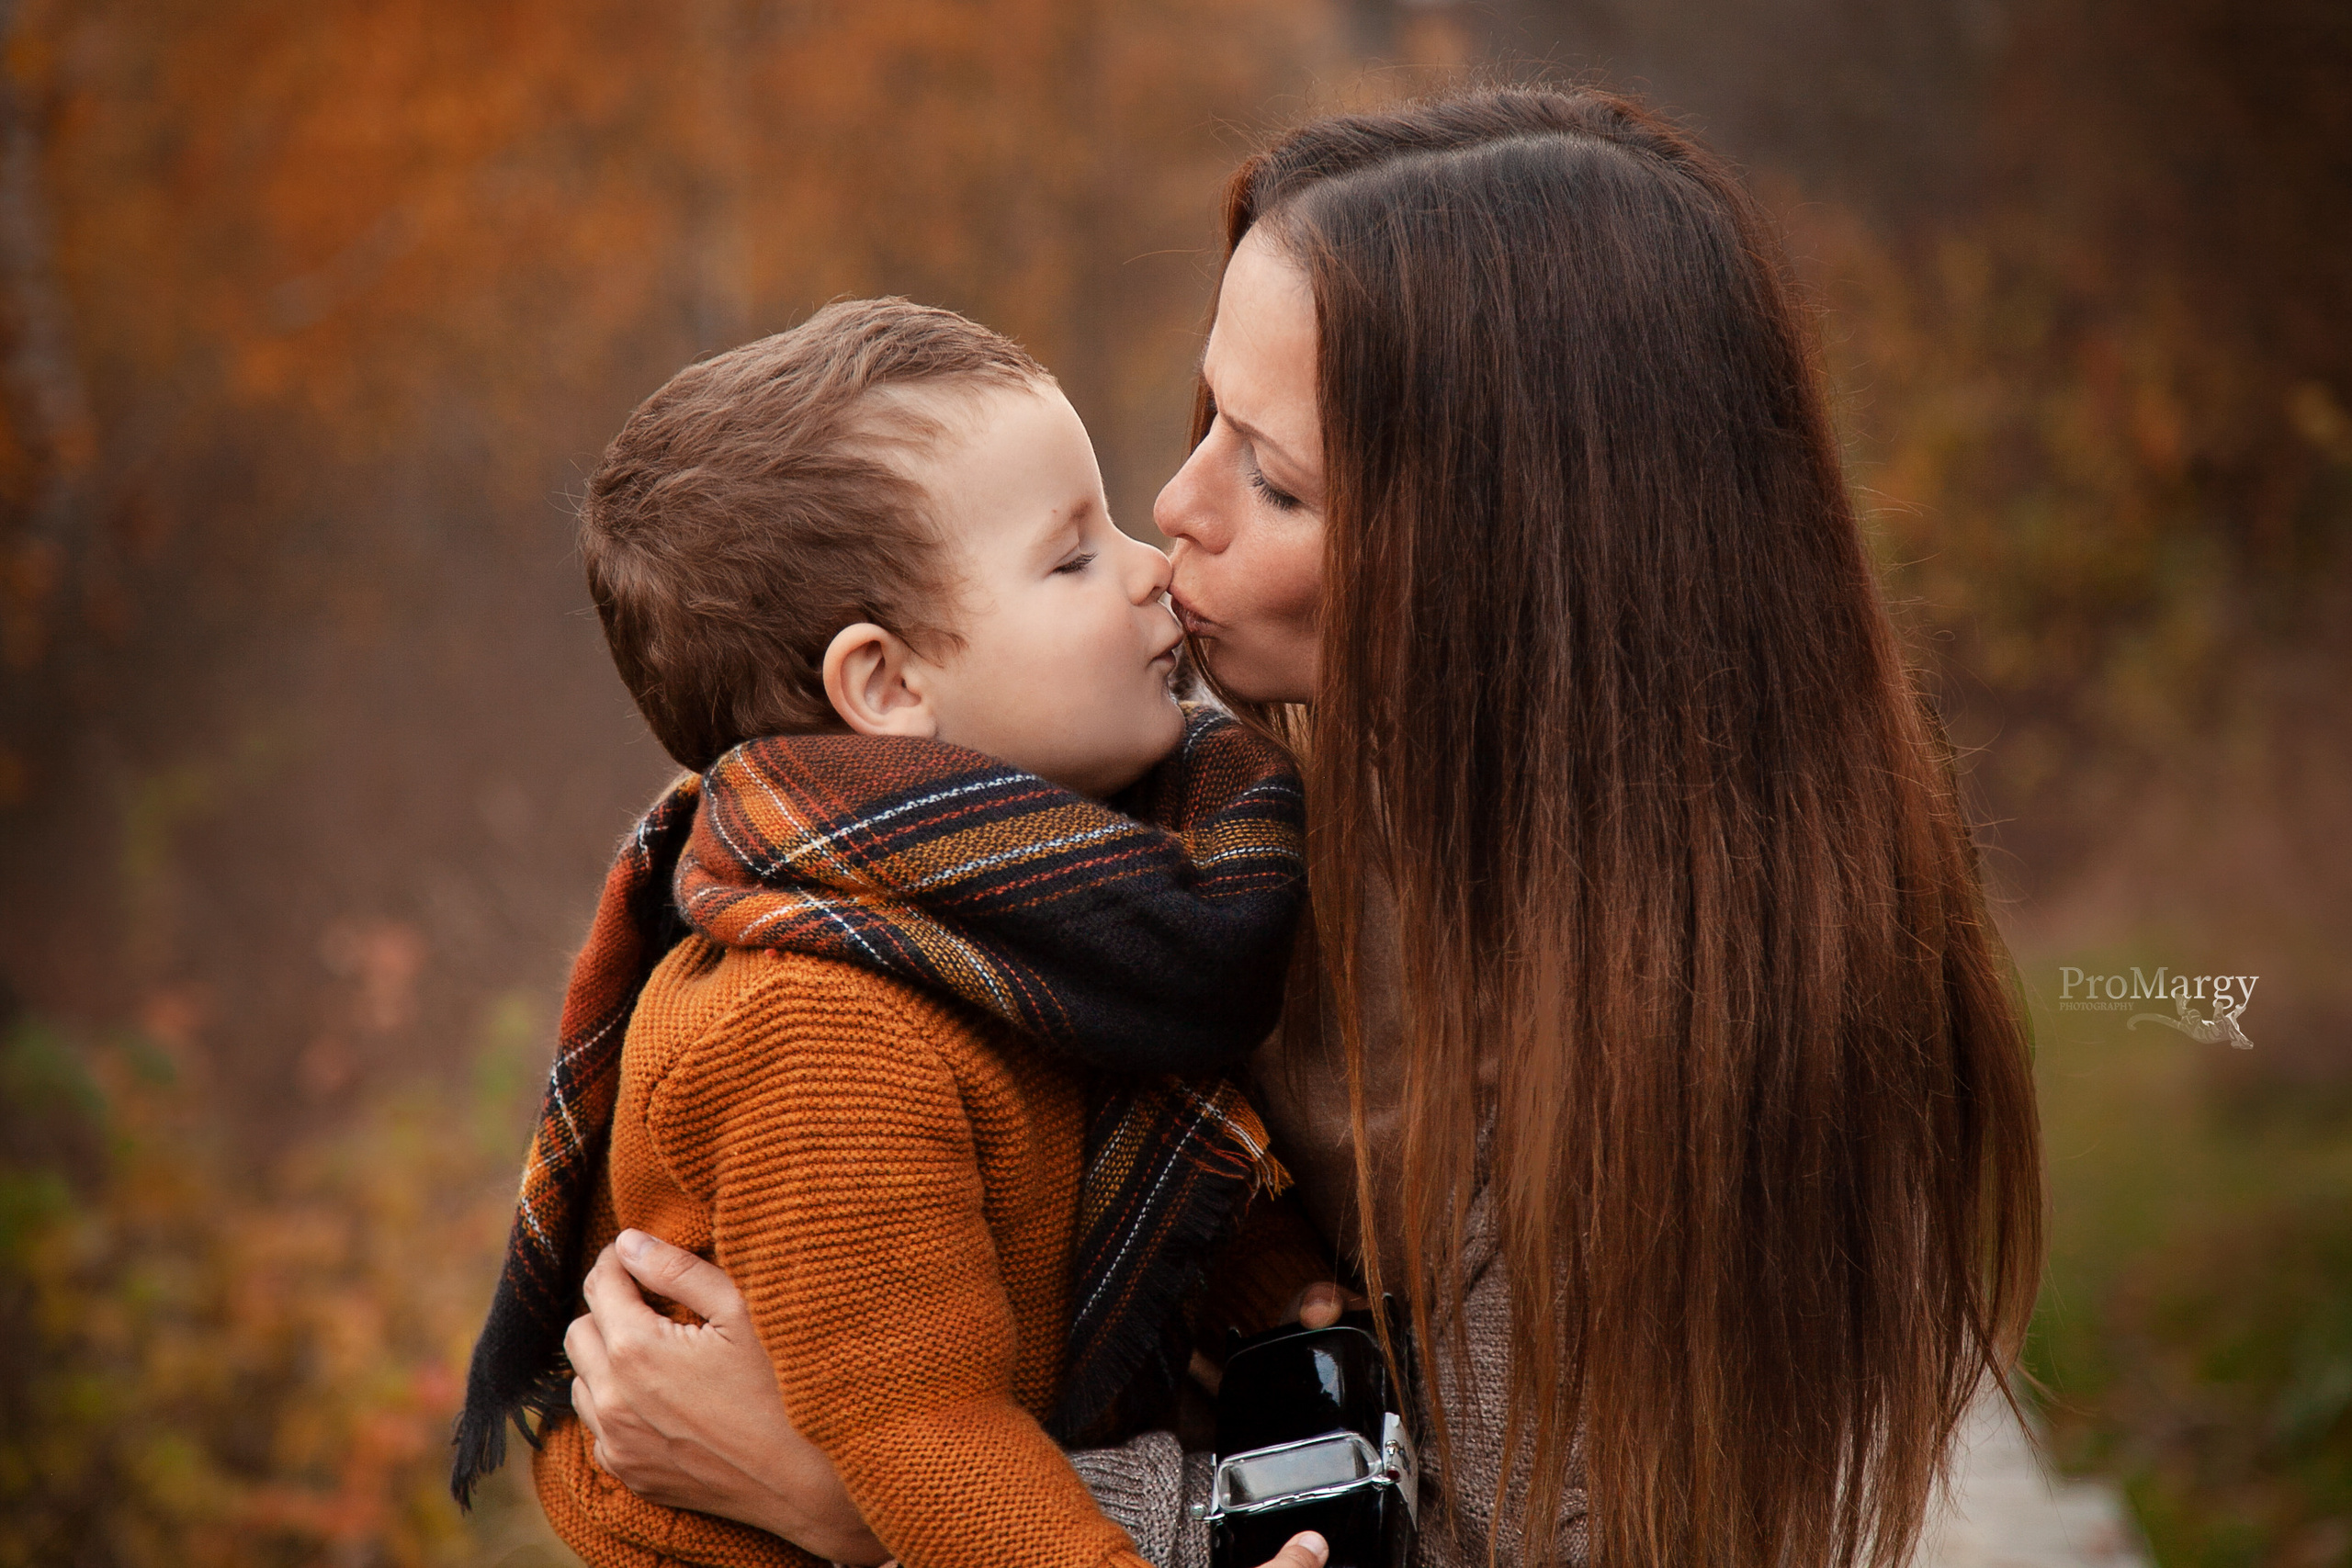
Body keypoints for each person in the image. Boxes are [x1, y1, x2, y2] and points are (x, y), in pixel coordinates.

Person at [560, 87, 2048, 1568]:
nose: (1173, 509)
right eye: (1209, 419)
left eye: (1272, 479)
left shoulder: (1692, 1025)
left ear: (1501, 560)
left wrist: (856, 1513)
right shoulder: (1184, 854)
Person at [448, 297, 1325, 1568]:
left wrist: (1281, 1294)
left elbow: (1092, 1154)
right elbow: (922, 1423)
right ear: (888, 687)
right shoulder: (821, 1029)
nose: (1150, 568)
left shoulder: (1031, 909)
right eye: (1073, 558)